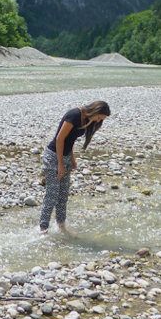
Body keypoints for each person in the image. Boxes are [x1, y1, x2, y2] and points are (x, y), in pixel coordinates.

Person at [39, 100, 111, 234]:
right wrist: (60, 164)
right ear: (96, 111)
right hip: (53, 157)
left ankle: (61, 226)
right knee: (52, 194)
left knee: (63, 195)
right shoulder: (74, 115)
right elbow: (59, 139)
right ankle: (43, 229)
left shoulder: (86, 119)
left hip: (64, 157)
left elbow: (69, 140)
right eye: (100, 117)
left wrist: (72, 159)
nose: (99, 121)